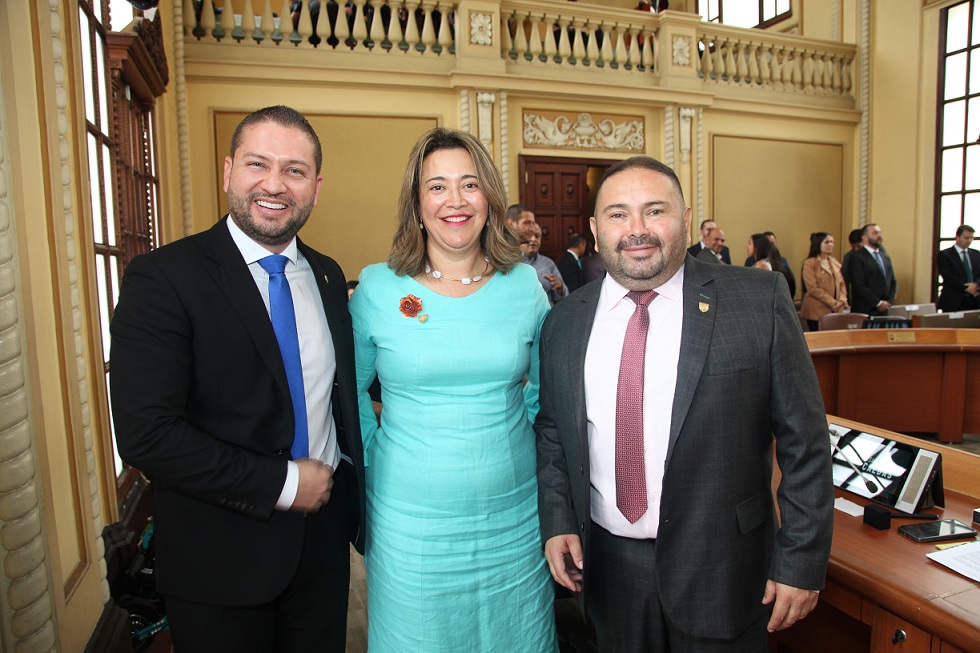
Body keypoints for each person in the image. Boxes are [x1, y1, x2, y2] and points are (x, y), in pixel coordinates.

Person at [535, 155, 833, 653]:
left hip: (726, 571)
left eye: (655, 211)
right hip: (608, 573)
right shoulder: (564, 321)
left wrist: (801, 560)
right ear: (594, 227)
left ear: (686, 217)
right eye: (617, 214)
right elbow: (551, 432)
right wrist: (558, 519)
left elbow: (806, 441)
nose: (637, 230)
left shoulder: (758, 300)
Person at [110, 106, 365, 652]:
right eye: (257, 164)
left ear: (316, 188)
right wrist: (286, 484)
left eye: (294, 170)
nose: (274, 184)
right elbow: (147, 434)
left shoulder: (326, 275)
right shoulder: (163, 279)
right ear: (228, 171)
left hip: (321, 550)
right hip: (218, 560)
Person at [349, 127, 558, 652]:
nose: (455, 200)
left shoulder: (524, 286)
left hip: (514, 518)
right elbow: (348, 391)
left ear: (488, 197)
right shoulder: (378, 287)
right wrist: (379, 453)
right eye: (437, 186)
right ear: (417, 204)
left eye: (469, 184)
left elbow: (547, 388)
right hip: (409, 523)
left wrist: (524, 435)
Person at [799, 232, 849, 331]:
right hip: (817, 309)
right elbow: (812, 287)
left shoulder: (833, 261)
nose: (830, 245)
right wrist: (832, 302)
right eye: (826, 242)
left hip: (836, 309)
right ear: (818, 244)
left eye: (832, 242)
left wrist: (842, 300)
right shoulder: (810, 263)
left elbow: (842, 283)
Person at [847, 223, 897, 316]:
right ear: (865, 238)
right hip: (866, 309)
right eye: (875, 233)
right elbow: (859, 285)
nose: (879, 236)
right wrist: (878, 303)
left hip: (885, 310)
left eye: (880, 233)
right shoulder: (856, 256)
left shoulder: (885, 256)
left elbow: (893, 281)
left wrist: (888, 302)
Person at [937, 224, 980, 312]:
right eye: (966, 238)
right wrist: (966, 287)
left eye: (971, 238)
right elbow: (947, 276)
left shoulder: (976, 254)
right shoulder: (945, 254)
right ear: (957, 237)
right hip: (954, 299)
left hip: (974, 299)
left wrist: (976, 285)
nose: (969, 240)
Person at [523, 222, 569, 305]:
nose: (533, 239)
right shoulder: (510, 263)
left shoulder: (548, 263)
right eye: (529, 235)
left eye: (537, 236)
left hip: (547, 315)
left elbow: (564, 297)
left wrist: (560, 288)